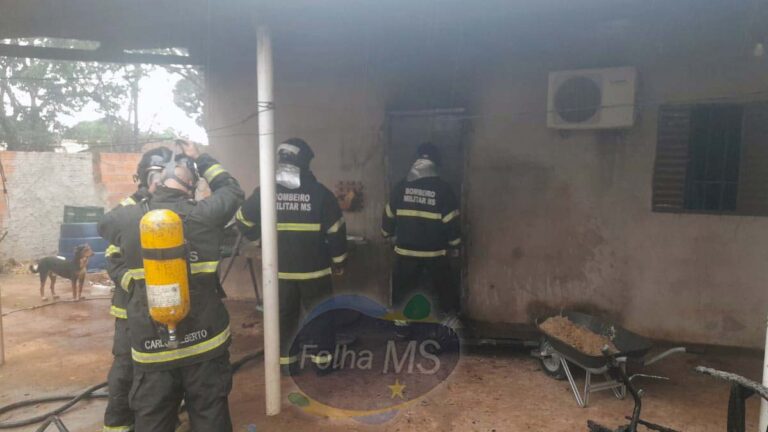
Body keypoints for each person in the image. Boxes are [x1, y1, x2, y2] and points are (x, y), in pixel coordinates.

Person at [98, 140, 243, 432]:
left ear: (155, 182)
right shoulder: (206, 213)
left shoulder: (128, 219)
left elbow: (105, 225)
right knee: (210, 413)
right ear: (191, 186)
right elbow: (232, 190)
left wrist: (144, 192)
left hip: (153, 346)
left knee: (153, 418)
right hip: (205, 341)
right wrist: (200, 158)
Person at [236, 138, 347, 376]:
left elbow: (242, 220)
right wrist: (339, 262)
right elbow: (336, 232)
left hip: (279, 271)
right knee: (320, 315)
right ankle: (323, 364)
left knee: (283, 317)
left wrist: (261, 241)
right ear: (305, 162)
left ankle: (287, 364)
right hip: (315, 271)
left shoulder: (265, 192)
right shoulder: (320, 193)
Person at [102, 146, 172, 432]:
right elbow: (111, 256)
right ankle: (118, 423)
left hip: (164, 303)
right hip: (131, 306)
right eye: (156, 175)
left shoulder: (169, 205)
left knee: (161, 366)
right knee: (126, 367)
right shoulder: (126, 210)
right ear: (144, 177)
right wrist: (133, 283)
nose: (160, 182)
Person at [382, 142, 461, 336]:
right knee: (442, 291)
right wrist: (455, 245)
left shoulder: (401, 186)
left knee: (403, 290)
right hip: (435, 253)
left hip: (405, 252)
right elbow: (452, 221)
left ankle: (402, 329)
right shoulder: (444, 190)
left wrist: (387, 235)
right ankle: (446, 327)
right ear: (436, 163)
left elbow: (388, 215)